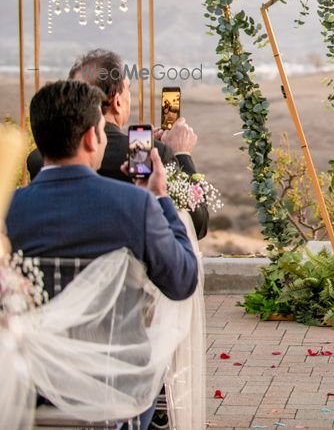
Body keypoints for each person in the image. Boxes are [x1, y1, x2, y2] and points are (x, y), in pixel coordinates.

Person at [6, 80, 199, 430]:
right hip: (117, 394)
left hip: (33, 390)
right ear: (91, 138)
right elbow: (182, 280)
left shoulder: (9, 212)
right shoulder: (134, 206)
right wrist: (159, 198)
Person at [25, 49, 209, 239]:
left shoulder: (39, 158)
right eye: (128, 89)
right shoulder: (143, 152)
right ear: (117, 101)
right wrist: (181, 154)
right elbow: (197, 225)